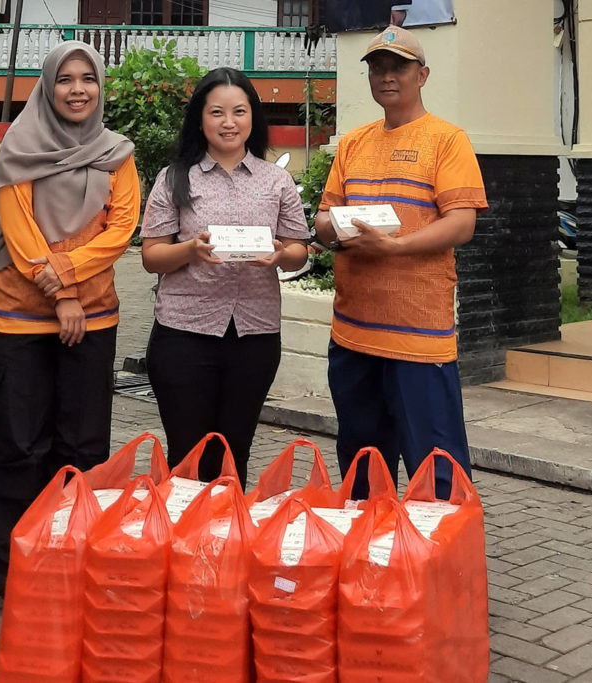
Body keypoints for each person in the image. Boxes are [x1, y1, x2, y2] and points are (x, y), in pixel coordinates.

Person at [0, 41, 140, 597]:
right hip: (21, 319)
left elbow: (121, 230)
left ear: (100, 87)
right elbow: (19, 229)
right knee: (17, 446)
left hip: (93, 320)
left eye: (87, 79)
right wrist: (63, 292)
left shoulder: (117, 154)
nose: (77, 89)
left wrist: (66, 276)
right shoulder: (19, 146)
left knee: (82, 447)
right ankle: (15, 570)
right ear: (48, 87)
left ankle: (72, 560)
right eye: (65, 79)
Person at [314, 25, 488, 499]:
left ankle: (440, 545)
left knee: (437, 470)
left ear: (422, 75)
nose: (387, 76)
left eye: (399, 67)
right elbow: (324, 217)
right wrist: (335, 230)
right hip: (353, 333)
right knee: (362, 467)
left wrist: (395, 247)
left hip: (418, 337)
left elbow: (462, 223)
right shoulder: (353, 143)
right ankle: (371, 542)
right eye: (377, 68)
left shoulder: (447, 140)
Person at [140, 68, 309, 487]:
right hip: (183, 334)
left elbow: (299, 252)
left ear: (253, 118)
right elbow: (152, 257)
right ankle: (184, 527)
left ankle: (226, 529)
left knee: (235, 453)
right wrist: (190, 250)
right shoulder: (174, 178)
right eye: (217, 112)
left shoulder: (277, 181)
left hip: (254, 336)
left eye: (239, 111)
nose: (228, 122)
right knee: (187, 456)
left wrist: (280, 255)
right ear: (200, 119)